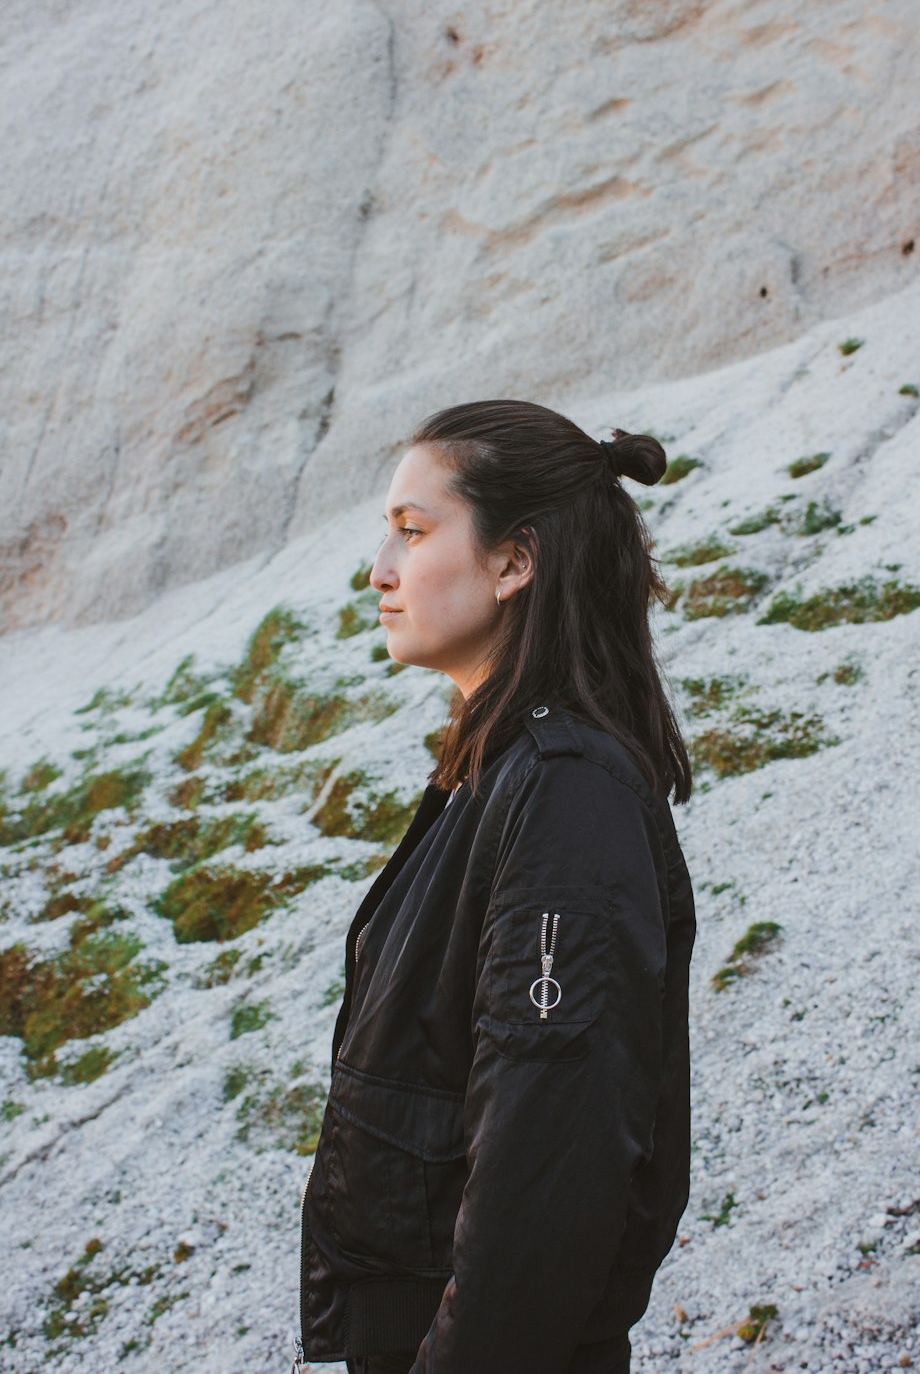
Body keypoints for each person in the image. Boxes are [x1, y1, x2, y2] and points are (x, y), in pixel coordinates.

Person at [296, 399, 697, 1374]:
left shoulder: (563, 792)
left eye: (412, 531)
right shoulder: (503, 772)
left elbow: (549, 1163)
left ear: (516, 561)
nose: (379, 570)